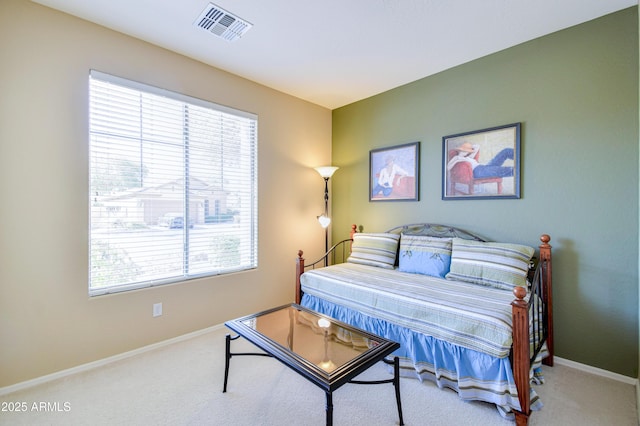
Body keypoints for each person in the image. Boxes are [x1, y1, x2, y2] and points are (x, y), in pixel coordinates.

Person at [447, 142, 514, 178]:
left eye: (467, 151)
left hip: (483, 167)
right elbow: (448, 167)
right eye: (464, 150)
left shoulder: (468, 157)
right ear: (459, 150)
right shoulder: (457, 158)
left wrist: (469, 149)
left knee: (506, 151)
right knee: (506, 170)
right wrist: (457, 159)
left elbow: (477, 146)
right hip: (477, 172)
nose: (466, 152)